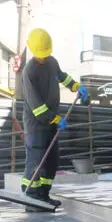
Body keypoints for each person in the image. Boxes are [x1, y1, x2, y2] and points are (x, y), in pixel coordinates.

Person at [21, 28, 89, 211]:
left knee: (51, 161)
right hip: (36, 126)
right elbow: (36, 106)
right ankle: (31, 198)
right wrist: (54, 118)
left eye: (45, 54)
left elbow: (62, 76)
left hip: (51, 123)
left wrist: (75, 85)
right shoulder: (29, 72)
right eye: (40, 55)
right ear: (34, 51)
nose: (43, 58)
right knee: (37, 161)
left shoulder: (51, 62)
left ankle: (44, 195)